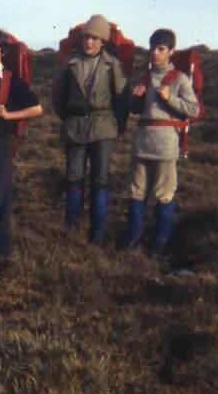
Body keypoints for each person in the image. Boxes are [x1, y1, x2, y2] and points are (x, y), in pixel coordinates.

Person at [50, 13, 128, 243]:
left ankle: (98, 234)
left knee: (100, 180)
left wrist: (118, 126)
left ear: (103, 40)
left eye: (95, 38)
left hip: (103, 128)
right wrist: (70, 118)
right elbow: (58, 96)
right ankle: (70, 230)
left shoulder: (113, 65)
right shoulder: (69, 64)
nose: (89, 42)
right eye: (86, 37)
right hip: (75, 127)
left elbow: (121, 99)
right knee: (73, 178)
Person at [122, 28, 199, 254]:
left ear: (171, 52)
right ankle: (132, 242)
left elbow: (193, 110)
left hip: (165, 148)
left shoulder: (179, 79)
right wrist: (134, 99)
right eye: (152, 48)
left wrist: (170, 98)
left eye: (161, 49)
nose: (155, 53)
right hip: (141, 145)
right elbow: (136, 111)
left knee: (164, 197)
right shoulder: (144, 77)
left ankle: (159, 246)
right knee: (136, 194)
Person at [0, 30, 43, 262]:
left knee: (0, 195)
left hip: (1, 143)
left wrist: (10, 115)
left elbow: (37, 108)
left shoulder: (12, 80)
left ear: (2, 52)